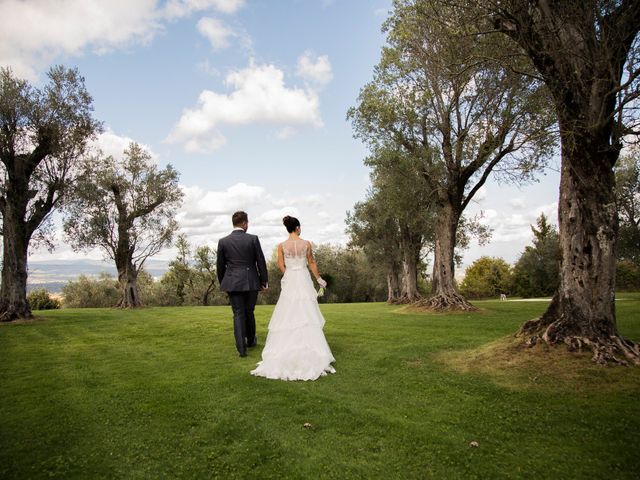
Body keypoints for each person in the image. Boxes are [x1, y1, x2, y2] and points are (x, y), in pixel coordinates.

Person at [251, 215, 336, 381]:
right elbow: (311, 262)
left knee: (288, 311)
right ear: (297, 227)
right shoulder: (306, 244)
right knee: (306, 312)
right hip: (303, 278)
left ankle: (285, 349)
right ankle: (311, 349)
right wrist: (319, 279)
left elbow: (280, 264)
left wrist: (288, 274)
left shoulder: (282, 246)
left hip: (291, 279)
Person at [217, 211, 268, 357]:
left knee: (238, 314)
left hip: (232, 282)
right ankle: (251, 340)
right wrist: (264, 281)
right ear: (245, 223)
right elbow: (260, 261)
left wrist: (224, 283)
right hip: (251, 281)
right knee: (249, 311)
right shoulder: (253, 239)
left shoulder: (223, 241)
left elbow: (220, 266)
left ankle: (241, 349)